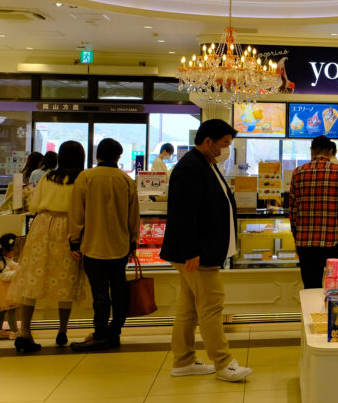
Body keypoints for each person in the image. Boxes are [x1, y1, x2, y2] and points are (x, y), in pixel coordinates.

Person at [159, 119, 252, 382]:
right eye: (224, 143)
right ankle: (223, 363)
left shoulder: (205, 164)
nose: (226, 150)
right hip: (197, 253)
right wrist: (191, 251)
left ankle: (183, 361)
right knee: (212, 305)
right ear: (208, 141)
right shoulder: (192, 167)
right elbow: (183, 214)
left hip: (198, 251)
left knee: (189, 309)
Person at [8, 140, 88, 353]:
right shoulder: (82, 179)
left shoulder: (47, 177)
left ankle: (25, 331)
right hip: (69, 229)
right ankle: (62, 330)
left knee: (32, 277)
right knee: (66, 278)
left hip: (42, 226)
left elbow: (34, 206)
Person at [69, 137, 141, 352]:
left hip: (93, 246)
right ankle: (114, 332)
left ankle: (100, 334)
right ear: (119, 157)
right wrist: (133, 241)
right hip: (120, 246)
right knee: (119, 291)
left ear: (97, 155)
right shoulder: (126, 180)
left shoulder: (86, 178)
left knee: (99, 294)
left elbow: (76, 213)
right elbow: (133, 216)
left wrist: (74, 241)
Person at [289, 135, 338, 290]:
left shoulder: (298, 173)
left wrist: (296, 237)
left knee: (311, 287)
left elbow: (293, 210)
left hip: (305, 243)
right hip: (333, 243)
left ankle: (312, 307)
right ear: (330, 151)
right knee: (336, 288)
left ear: (312, 151)